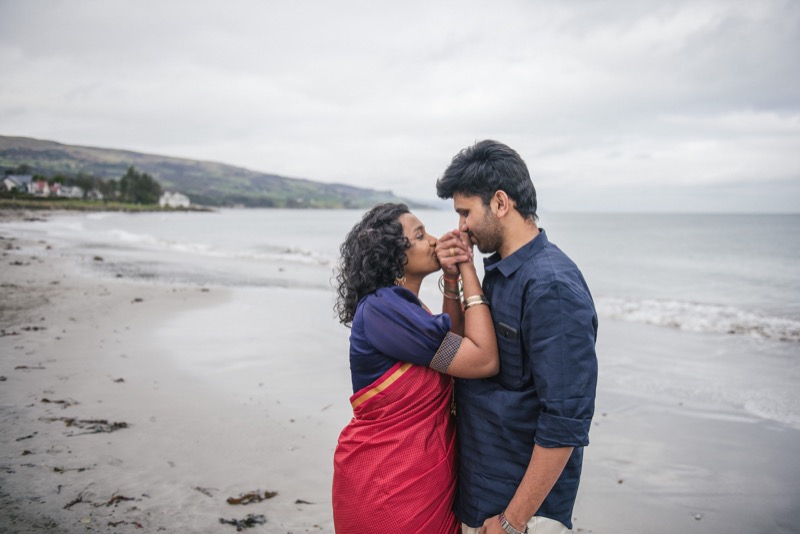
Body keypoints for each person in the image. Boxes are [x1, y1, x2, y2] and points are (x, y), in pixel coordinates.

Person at [435, 140, 598, 534]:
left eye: (465, 212)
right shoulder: (500, 272)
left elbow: (565, 421)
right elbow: (456, 352)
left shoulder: (552, 287)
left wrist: (513, 520)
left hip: (522, 514)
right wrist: (456, 278)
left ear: (501, 203)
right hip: (481, 492)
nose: (461, 227)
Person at [332, 202, 499, 534]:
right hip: (389, 488)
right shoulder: (383, 310)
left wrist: (451, 282)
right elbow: (482, 359)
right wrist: (468, 269)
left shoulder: (403, 310)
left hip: (411, 480)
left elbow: (452, 353)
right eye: (421, 235)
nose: (435, 241)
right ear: (394, 255)